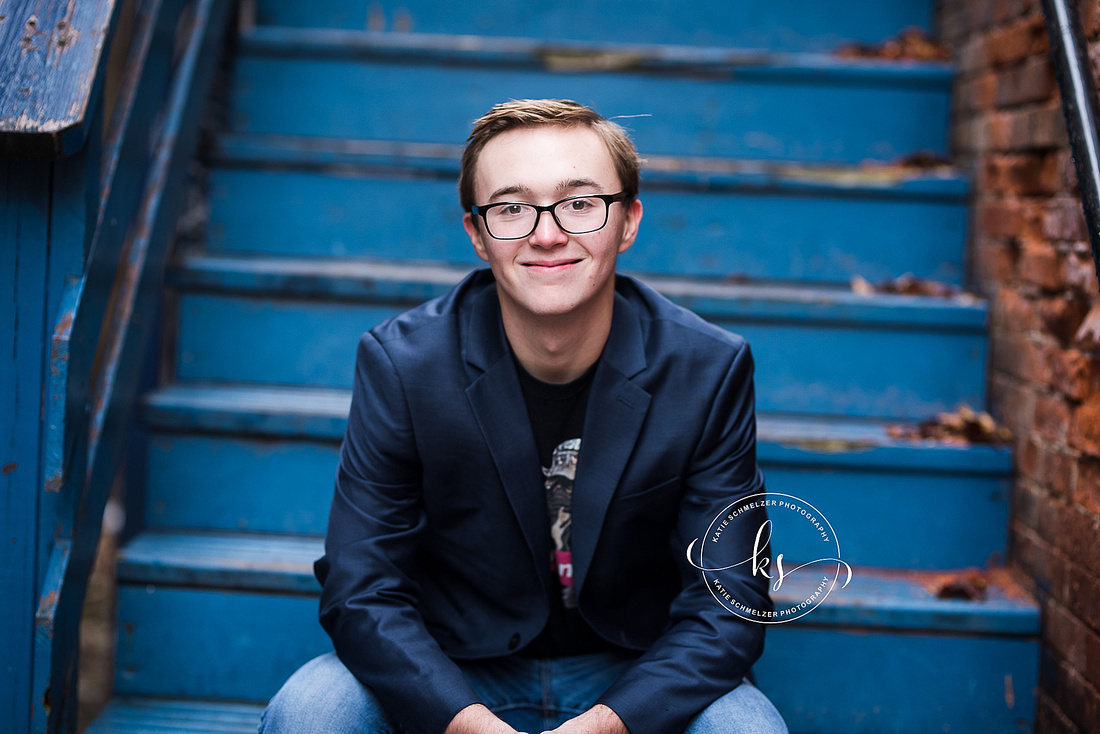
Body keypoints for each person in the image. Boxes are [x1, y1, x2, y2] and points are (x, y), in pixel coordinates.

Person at [260, 99, 788, 734]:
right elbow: (361, 586)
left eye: (580, 202)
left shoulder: (707, 368)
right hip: (456, 666)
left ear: (628, 221)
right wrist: (460, 721)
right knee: (311, 711)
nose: (547, 233)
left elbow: (728, 603)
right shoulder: (404, 364)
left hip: (633, 672)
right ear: (477, 234)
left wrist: (611, 723)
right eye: (511, 208)